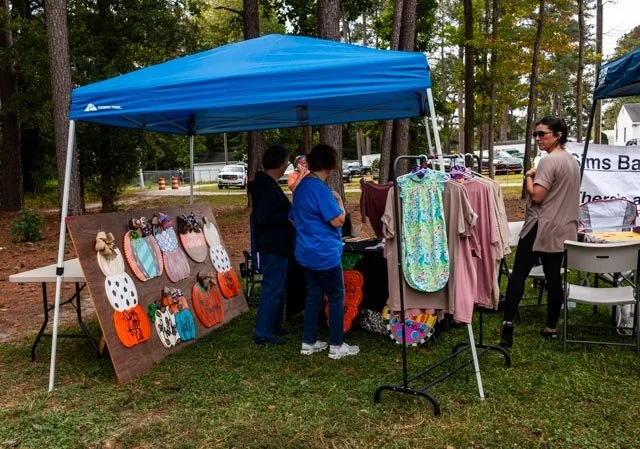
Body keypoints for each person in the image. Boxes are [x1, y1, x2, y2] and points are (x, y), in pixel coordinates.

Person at [500, 116, 580, 347]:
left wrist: (528, 176)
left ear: (558, 135)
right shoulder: (571, 160)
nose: (537, 138)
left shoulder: (548, 161)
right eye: (535, 134)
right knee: (553, 277)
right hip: (562, 228)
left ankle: (507, 323)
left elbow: (536, 196)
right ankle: (551, 327)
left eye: (542, 134)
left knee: (519, 274)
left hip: (540, 226)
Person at [290, 144, 360, 359]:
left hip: (305, 251)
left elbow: (293, 219)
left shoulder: (301, 187)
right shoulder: (320, 190)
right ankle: (336, 345)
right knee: (336, 296)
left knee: (313, 296)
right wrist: (339, 202)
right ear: (330, 165)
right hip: (325, 253)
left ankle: (308, 342)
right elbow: (338, 220)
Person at [249, 144, 294, 345]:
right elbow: (265, 217)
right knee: (272, 287)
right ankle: (263, 332)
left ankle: (275, 325)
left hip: (278, 244)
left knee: (278, 286)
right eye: (286, 162)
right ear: (280, 163)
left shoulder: (266, 184)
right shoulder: (265, 187)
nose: (287, 166)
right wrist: (289, 217)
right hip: (273, 244)